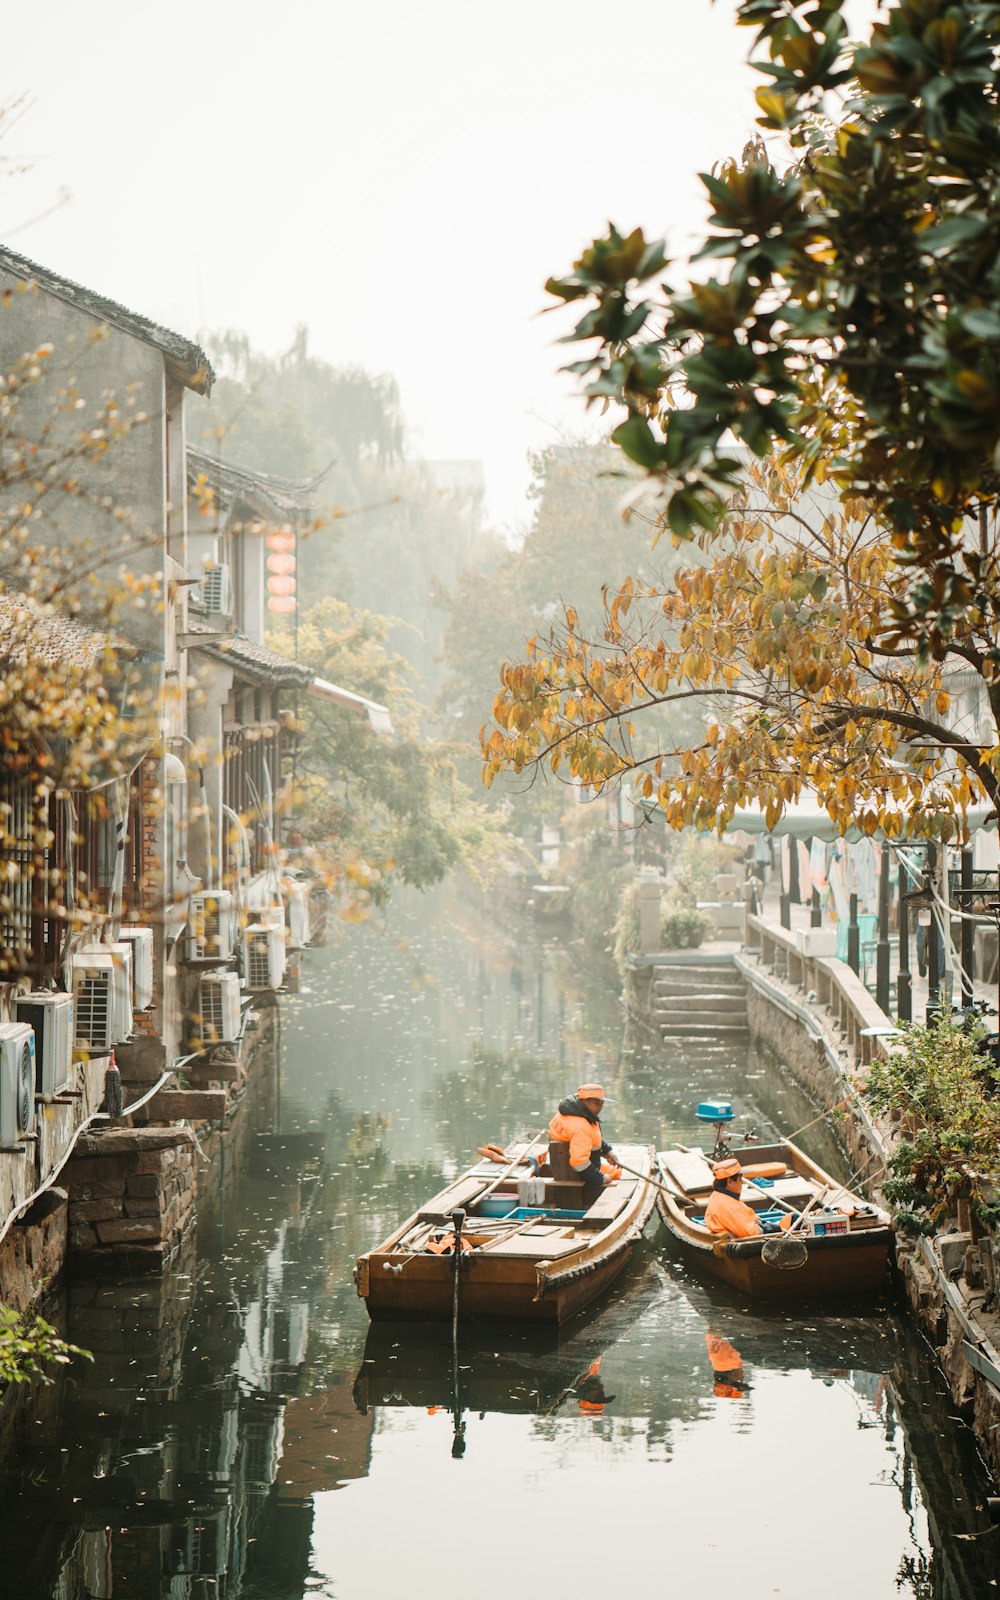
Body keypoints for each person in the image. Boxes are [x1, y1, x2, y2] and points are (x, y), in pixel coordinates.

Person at [548, 1083, 621, 1188]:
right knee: (619, 1174)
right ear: (585, 1101)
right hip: (577, 1174)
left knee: (616, 1171)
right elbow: (579, 1162)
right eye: (596, 1103)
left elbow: (590, 1135)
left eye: (602, 1103)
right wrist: (600, 1178)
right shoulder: (580, 1126)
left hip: (566, 1165)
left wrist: (608, 1151)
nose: (600, 1108)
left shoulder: (575, 1111)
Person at [703, 1157, 763, 1238]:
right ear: (730, 1182)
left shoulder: (718, 1196)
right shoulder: (729, 1206)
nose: (742, 1183)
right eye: (740, 1179)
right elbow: (752, 1233)